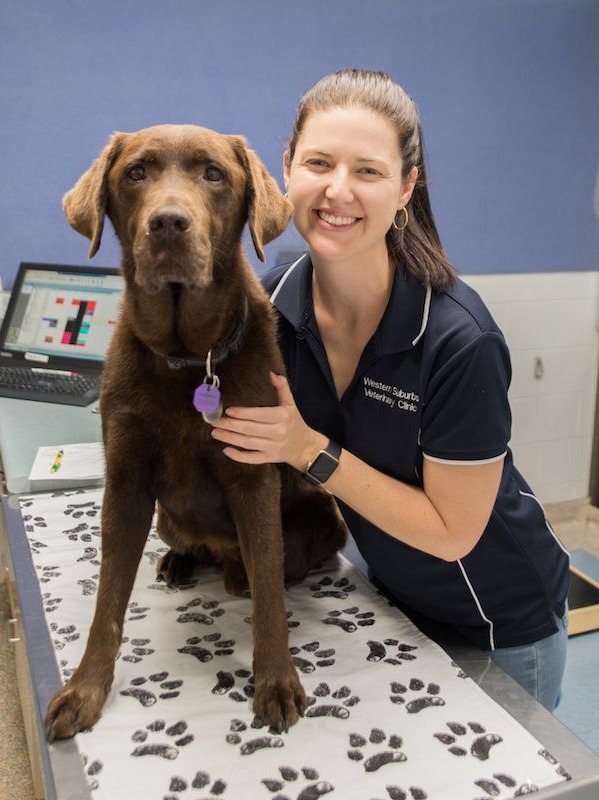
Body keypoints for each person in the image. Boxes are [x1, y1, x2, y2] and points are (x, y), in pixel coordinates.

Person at [211, 69, 569, 710]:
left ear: (407, 187)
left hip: (498, 620)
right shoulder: (273, 298)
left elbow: (452, 533)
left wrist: (306, 447)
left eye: (368, 171)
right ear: (287, 168)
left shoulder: (460, 340)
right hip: (392, 592)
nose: (337, 190)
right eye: (318, 162)